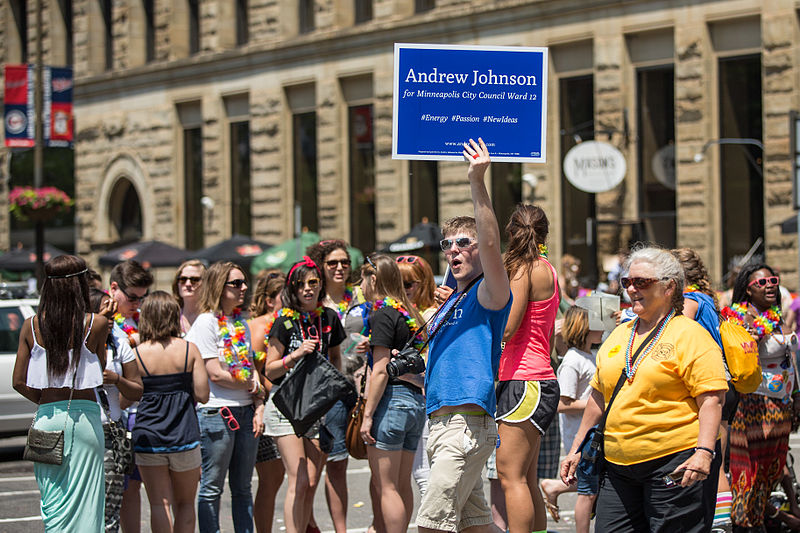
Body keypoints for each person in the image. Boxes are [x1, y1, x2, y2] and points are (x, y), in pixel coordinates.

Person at [561, 246, 727, 532]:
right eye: (627, 282)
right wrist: (577, 448)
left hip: (675, 462)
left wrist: (703, 452)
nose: (631, 289)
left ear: (669, 287)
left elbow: (711, 399)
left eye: (642, 282)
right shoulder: (619, 334)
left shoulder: (690, 335)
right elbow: (599, 396)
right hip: (618, 465)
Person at [416, 138, 512, 533]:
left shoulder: (490, 293)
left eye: (463, 243)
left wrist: (477, 180)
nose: (453, 250)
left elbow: (490, 241)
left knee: (431, 525)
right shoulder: (450, 300)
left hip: (466, 422)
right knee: (476, 526)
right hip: (439, 421)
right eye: (448, 244)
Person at [12, 255, 109, 532]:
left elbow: (18, 381)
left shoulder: (31, 325)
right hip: (85, 420)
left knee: (53, 500)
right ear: (80, 284)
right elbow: (99, 370)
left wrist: (44, 402)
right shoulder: (96, 324)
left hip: (47, 416)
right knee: (87, 501)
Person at [263, 257, 346, 533]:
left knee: (310, 480)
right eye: (301, 284)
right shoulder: (284, 323)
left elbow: (335, 359)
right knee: (297, 478)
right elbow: (270, 370)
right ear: (293, 288)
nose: (308, 289)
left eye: (313, 282)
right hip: (286, 405)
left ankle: (304, 526)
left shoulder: (330, 318)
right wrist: (296, 355)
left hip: (315, 405)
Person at [185, 261, 265, 533]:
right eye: (237, 283)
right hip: (218, 413)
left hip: (245, 411)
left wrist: (258, 404)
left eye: (244, 282)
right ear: (220, 286)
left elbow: (249, 366)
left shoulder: (239, 322)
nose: (244, 288)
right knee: (211, 487)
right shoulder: (207, 321)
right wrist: (250, 384)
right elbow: (214, 373)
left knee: (243, 487)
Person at [495, 204, 559, 533]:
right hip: (538, 378)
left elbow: (507, 327)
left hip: (524, 380)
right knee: (526, 477)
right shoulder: (546, 267)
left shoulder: (524, 268)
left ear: (511, 232)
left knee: (510, 476)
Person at [723, 263, 800, 531]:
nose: (770, 286)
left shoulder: (775, 316)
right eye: (762, 282)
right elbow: (736, 358)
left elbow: (790, 361)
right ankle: (748, 522)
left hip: (780, 404)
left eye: (773, 281)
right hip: (751, 404)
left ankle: (761, 519)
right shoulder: (739, 319)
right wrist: (751, 340)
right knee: (749, 470)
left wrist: (797, 395)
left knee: (771, 470)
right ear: (748, 289)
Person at [358, 254, 427, 533]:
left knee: (386, 486)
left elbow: (380, 370)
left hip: (392, 402)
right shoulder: (407, 312)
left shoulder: (384, 314)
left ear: (373, 279)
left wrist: (367, 415)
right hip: (414, 403)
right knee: (400, 484)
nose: (359, 285)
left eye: (362, 279)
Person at [132, 291, 210, 533]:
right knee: (186, 504)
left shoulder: (136, 354)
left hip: (148, 435)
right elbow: (203, 394)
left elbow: (128, 397)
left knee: (158, 503)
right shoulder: (189, 350)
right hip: (184, 434)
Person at [672, 247, 735, 531]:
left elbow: (674, 328)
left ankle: (720, 524)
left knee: (713, 461)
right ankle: (719, 520)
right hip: (724, 382)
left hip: (708, 385)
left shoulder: (690, 301)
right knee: (719, 459)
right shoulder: (708, 299)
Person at [307, 239, 365, 533]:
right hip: (324, 392)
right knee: (321, 465)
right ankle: (312, 521)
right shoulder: (314, 301)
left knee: (345, 462)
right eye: (333, 263)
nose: (340, 268)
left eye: (344, 262)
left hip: (358, 387)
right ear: (321, 267)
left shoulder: (361, 297)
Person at [540, 305, 604, 533]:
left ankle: (554, 487)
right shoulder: (572, 360)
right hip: (581, 434)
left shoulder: (591, 355)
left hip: (594, 433)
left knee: (594, 485)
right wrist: (597, 405)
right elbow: (561, 403)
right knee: (589, 491)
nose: (602, 327)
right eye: (597, 323)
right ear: (585, 328)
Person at [89, 287, 144, 533]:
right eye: (105, 315)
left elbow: (136, 389)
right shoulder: (73, 343)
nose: (111, 320)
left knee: (110, 507)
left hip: (111, 432)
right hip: (81, 433)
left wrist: (117, 380)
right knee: (84, 505)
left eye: (113, 315)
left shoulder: (119, 340)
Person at [108, 259, 154, 533]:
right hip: (115, 414)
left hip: (139, 414)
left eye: (143, 298)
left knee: (134, 486)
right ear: (114, 288)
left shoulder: (140, 321)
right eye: (133, 297)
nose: (138, 303)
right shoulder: (104, 320)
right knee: (118, 487)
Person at [395, 254, 437, 495]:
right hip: (409, 396)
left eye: (409, 284)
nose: (404, 290)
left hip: (426, 397)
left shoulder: (431, 314)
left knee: (423, 473)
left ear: (424, 282)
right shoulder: (400, 312)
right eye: (398, 284)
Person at [249, 272, 287, 533]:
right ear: (268, 299)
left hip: (288, 405)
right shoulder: (258, 325)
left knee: (282, 477)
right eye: (283, 295)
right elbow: (253, 368)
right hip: (265, 405)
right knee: (271, 478)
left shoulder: (289, 322)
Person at [173, 259, 206, 334]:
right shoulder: (171, 317)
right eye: (183, 279)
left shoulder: (214, 316)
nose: (188, 284)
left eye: (194, 280)